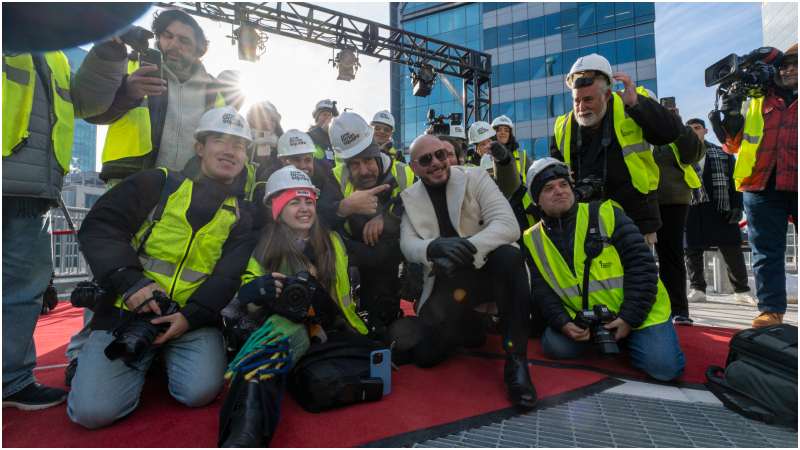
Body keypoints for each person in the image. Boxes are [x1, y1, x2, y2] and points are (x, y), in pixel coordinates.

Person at [66, 107, 256, 429]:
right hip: (128, 312)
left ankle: (155, 358)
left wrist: (190, 317)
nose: (229, 151)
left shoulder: (241, 216)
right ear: (199, 147)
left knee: (198, 392)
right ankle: (87, 355)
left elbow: (227, 276)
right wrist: (130, 282)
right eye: (219, 141)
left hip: (190, 320)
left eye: (238, 145)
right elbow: (100, 226)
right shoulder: (157, 183)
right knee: (92, 413)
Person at [220, 166, 387, 446]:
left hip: (332, 330)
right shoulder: (265, 244)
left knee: (281, 338)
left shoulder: (333, 241)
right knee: (278, 336)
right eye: (294, 202)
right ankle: (244, 435)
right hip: (289, 328)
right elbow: (246, 290)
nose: (304, 208)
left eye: (308, 201)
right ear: (277, 208)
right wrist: (255, 290)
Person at [3, 48, 120, 410]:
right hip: (20, 179)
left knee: (23, 290)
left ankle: (11, 379)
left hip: (31, 189)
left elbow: (87, 104)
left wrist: (109, 53)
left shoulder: (56, 56)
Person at [393, 134, 538, 410]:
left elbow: (508, 226)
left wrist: (464, 249)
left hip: (485, 271)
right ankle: (468, 324)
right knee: (426, 357)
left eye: (440, 154)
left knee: (510, 255)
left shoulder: (475, 178)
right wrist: (434, 247)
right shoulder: (409, 198)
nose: (436, 163)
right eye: (426, 159)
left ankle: (517, 362)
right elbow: (407, 244)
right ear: (414, 167)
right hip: (446, 283)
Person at [522, 158, 685, 381]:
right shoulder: (533, 238)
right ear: (536, 200)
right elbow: (542, 291)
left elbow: (643, 268)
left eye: (563, 184)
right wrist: (563, 323)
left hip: (640, 311)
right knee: (554, 346)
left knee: (664, 369)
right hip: (587, 319)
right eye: (548, 188)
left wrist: (629, 318)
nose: (559, 191)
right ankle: (614, 339)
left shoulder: (606, 213)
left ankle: (634, 338)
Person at [551, 53, 684, 243]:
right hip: (584, 221)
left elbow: (670, 133)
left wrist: (636, 105)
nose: (581, 107)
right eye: (576, 101)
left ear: (606, 95)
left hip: (635, 219)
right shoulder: (562, 126)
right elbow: (557, 173)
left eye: (588, 99)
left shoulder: (632, 104)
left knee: (639, 272)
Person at [86, 9, 226, 184]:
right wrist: (127, 93)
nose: (174, 44)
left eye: (184, 40)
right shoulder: (129, 66)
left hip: (188, 191)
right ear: (159, 38)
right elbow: (92, 113)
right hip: (129, 181)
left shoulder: (214, 92)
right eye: (168, 36)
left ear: (199, 50)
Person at [716, 43, 797, 328]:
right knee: (766, 252)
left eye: (794, 64)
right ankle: (771, 311)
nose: (787, 70)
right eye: (783, 65)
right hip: (761, 185)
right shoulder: (756, 99)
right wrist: (730, 116)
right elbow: (732, 145)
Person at [326, 111, 416, 333]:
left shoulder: (404, 173)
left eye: (367, 160)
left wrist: (387, 217)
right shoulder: (336, 176)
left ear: (376, 149)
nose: (364, 171)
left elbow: (424, 207)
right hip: (354, 253)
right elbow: (316, 216)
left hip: (394, 253)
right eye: (354, 164)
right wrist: (343, 207)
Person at [684, 118, 754, 305]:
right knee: (692, 250)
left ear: (705, 130)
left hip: (721, 206)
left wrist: (738, 206)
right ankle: (697, 289)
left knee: (732, 248)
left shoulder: (722, 152)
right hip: (692, 206)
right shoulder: (680, 153)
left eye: (697, 128)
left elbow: (735, 180)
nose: (693, 131)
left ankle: (741, 290)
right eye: (689, 129)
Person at [651, 99, 706, 325]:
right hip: (640, 199)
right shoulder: (634, 130)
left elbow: (693, 153)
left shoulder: (675, 132)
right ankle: (646, 305)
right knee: (637, 255)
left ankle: (678, 310)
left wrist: (676, 123)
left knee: (671, 254)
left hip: (672, 200)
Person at [272, 129, 343, 229]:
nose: (303, 166)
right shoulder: (271, 188)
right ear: (282, 161)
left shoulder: (324, 181)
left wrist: (340, 209)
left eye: (308, 160)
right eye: (296, 160)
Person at [491, 115, 532, 183]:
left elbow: (533, 177)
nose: (503, 132)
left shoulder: (522, 155)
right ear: (493, 134)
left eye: (506, 130)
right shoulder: (487, 155)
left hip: (521, 193)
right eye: (499, 130)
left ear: (510, 134)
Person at [307, 98, 339, 168]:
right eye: (324, 115)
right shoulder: (307, 137)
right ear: (317, 117)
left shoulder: (335, 138)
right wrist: (321, 131)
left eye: (330, 115)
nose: (328, 118)